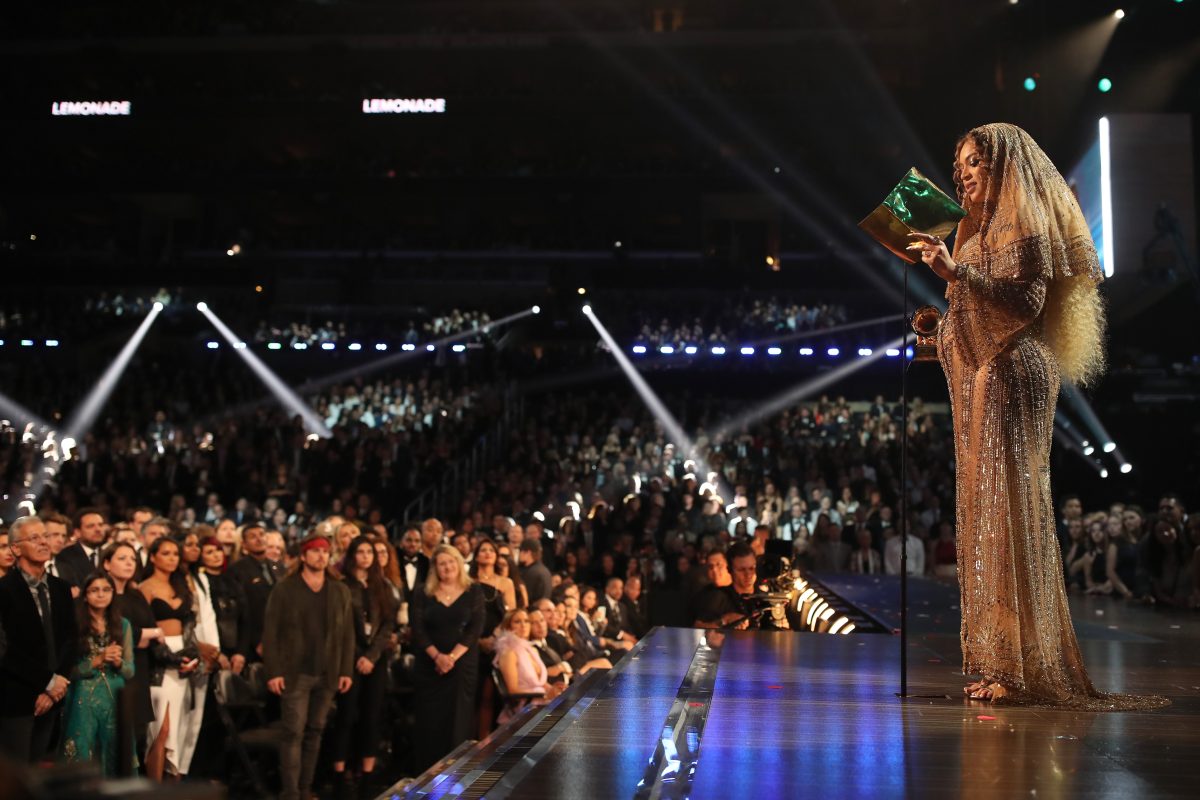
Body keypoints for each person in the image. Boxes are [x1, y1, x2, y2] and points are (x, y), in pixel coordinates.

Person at [911, 122, 1167, 709]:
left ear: (1003, 166)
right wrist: (937, 329)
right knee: (986, 514)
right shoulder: (972, 234)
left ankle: (1023, 666)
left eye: (975, 161)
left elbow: (1023, 304)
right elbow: (974, 309)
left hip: (1012, 372)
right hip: (982, 374)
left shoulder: (1023, 224)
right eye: (961, 163)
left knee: (1010, 510)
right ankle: (1004, 659)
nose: (963, 172)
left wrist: (956, 275)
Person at [263, 534, 355, 800]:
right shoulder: (285, 588)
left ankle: (305, 788)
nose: (321, 556)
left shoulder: (339, 590)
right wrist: (274, 670)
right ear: (303, 556)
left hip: (327, 671)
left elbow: (347, 634)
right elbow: (271, 631)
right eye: (315, 552)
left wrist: (346, 670)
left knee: (315, 731)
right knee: (293, 732)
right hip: (295, 671)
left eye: (325, 552)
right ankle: (290, 792)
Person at [0, 516, 78, 762]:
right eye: (35, 538)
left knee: (39, 776)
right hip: (16, 698)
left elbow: (70, 638)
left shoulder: (61, 588)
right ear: (15, 548)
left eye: (45, 536)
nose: (44, 542)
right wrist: (46, 681)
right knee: (15, 778)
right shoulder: (3, 590)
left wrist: (55, 687)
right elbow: (3, 649)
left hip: (54, 696)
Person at [328, 538, 397, 795]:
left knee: (371, 717)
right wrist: (358, 656)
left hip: (374, 661)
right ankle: (339, 775)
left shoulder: (382, 586)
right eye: (361, 552)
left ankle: (366, 776)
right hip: (348, 659)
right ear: (352, 555)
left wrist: (372, 655)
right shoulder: (341, 585)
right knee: (345, 717)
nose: (366, 556)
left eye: (370, 552)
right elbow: (340, 627)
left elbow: (388, 624)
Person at [410, 544, 484, 772]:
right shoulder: (423, 592)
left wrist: (451, 658)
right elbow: (418, 629)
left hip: (461, 665)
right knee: (429, 720)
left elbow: (475, 629)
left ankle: (456, 771)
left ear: (459, 563)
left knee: (458, 719)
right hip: (429, 665)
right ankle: (427, 772)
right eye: (442, 563)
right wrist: (437, 657)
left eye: (451, 561)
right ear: (435, 568)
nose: (447, 566)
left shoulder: (474, 591)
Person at [139, 536, 203, 778]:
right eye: (166, 553)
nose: (172, 558)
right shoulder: (144, 587)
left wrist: (191, 655)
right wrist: (170, 658)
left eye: (175, 554)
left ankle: (172, 786)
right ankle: (153, 789)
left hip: (184, 658)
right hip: (158, 661)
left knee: (178, 727)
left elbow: (190, 626)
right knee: (160, 730)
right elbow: (145, 627)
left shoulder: (182, 585)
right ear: (153, 557)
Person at [60, 572, 136, 775]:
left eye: (106, 590)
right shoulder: (73, 625)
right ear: (85, 595)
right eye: (94, 590)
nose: (101, 595)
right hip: (83, 698)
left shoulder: (123, 625)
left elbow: (130, 671)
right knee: (82, 751)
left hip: (114, 695)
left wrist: (118, 662)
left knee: (115, 752)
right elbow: (68, 671)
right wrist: (97, 660)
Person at [102, 542, 160, 760]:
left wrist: (145, 635)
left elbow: (153, 631)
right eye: (122, 558)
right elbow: (114, 632)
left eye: (132, 559)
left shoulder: (136, 594)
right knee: (115, 738)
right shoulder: (102, 594)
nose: (129, 563)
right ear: (107, 563)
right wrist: (144, 635)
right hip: (114, 671)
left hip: (140, 669)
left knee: (138, 736)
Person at [492, 609, 562, 724]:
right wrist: (545, 695)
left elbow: (540, 683)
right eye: (517, 622)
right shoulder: (509, 653)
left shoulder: (532, 649)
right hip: (525, 708)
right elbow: (512, 690)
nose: (523, 625)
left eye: (526, 621)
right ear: (508, 627)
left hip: (541, 703)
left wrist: (554, 689)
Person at [518, 539, 553, 604]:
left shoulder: (531, 573)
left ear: (528, 552)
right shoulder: (545, 570)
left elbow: (525, 598)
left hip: (533, 610)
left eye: (520, 551)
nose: (519, 554)